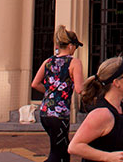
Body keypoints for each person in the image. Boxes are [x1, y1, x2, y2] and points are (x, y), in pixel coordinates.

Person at [67, 57, 123, 161]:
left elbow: (112, 138)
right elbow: (74, 146)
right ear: (116, 82)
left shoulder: (122, 106)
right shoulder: (102, 114)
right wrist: (107, 157)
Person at [31, 25, 85, 162]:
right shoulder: (74, 63)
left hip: (45, 112)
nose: (75, 50)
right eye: (76, 47)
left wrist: (51, 91)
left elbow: (35, 84)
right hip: (59, 115)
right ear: (71, 46)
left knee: (64, 151)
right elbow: (80, 89)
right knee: (57, 153)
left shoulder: (48, 62)